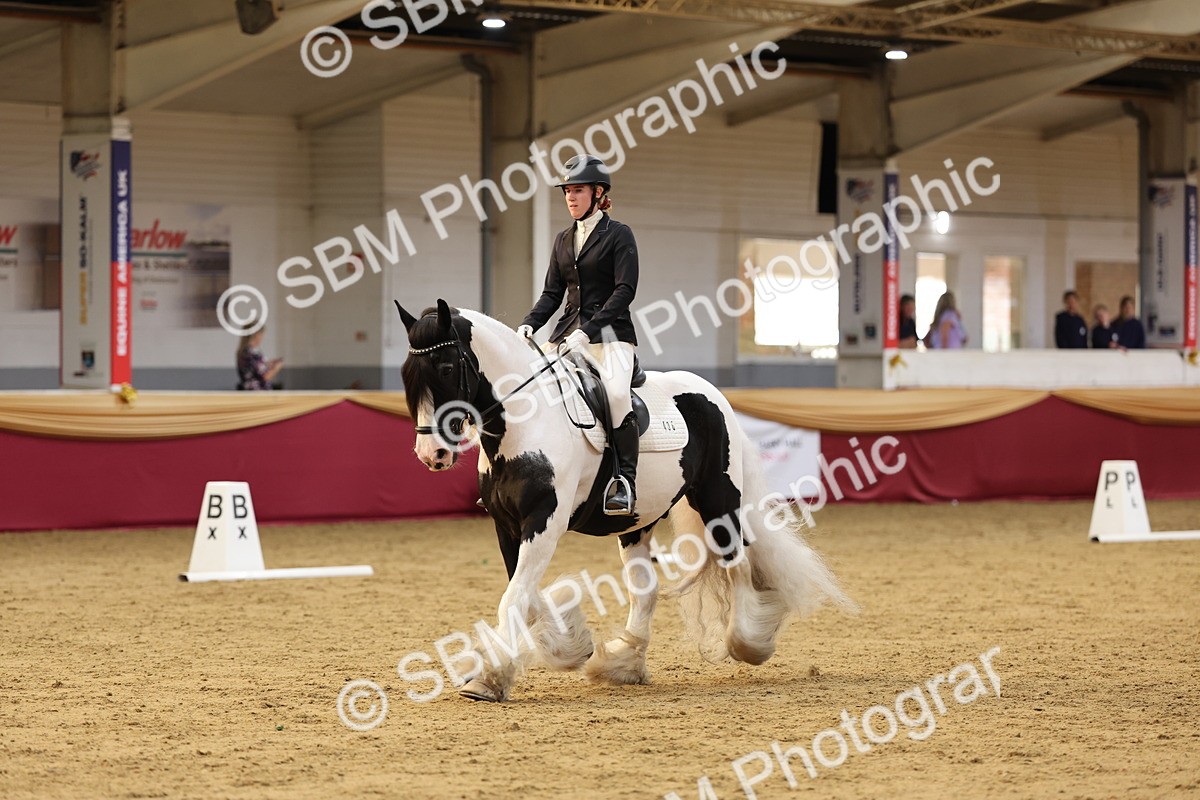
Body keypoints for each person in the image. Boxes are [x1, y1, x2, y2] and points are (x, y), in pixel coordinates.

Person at [518, 154, 640, 516]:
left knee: (617, 395)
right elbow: (552, 294)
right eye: (567, 191)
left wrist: (589, 331)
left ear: (599, 193)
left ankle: (624, 482)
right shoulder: (563, 239)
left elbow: (625, 289)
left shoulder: (619, 234)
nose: (570, 197)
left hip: (611, 337)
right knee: (529, 389)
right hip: (565, 336)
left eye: (578, 190)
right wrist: (530, 323)